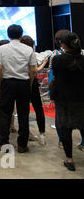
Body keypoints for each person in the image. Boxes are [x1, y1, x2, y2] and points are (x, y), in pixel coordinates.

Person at [0, 25, 37, 153]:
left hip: (8, 83)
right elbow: (32, 69)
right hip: (23, 83)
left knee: (5, 113)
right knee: (24, 114)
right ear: (21, 35)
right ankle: (22, 145)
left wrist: (0, 83)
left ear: (8, 35)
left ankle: (3, 143)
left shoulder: (2, 48)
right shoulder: (28, 49)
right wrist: (29, 82)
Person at [51, 32, 84, 171]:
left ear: (63, 44)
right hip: (82, 97)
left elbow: (57, 78)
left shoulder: (58, 60)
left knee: (65, 128)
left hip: (63, 98)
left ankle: (69, 160)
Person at [20, 35, 48, 145]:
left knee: (23, 110)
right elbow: (35, 70)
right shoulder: (31, 53)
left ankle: (27, 134)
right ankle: (42, 134)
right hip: (32, 83)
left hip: (21, 82)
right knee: (38, 109)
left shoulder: (18, 53)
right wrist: (44, 62)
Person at [48, 29, 71, 149]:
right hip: (79, 92)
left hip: (61, 92)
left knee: (60, 118)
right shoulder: (82, 53)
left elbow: (52, 76)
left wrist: (51, 93)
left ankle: (62, 141)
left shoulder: (55, 56)